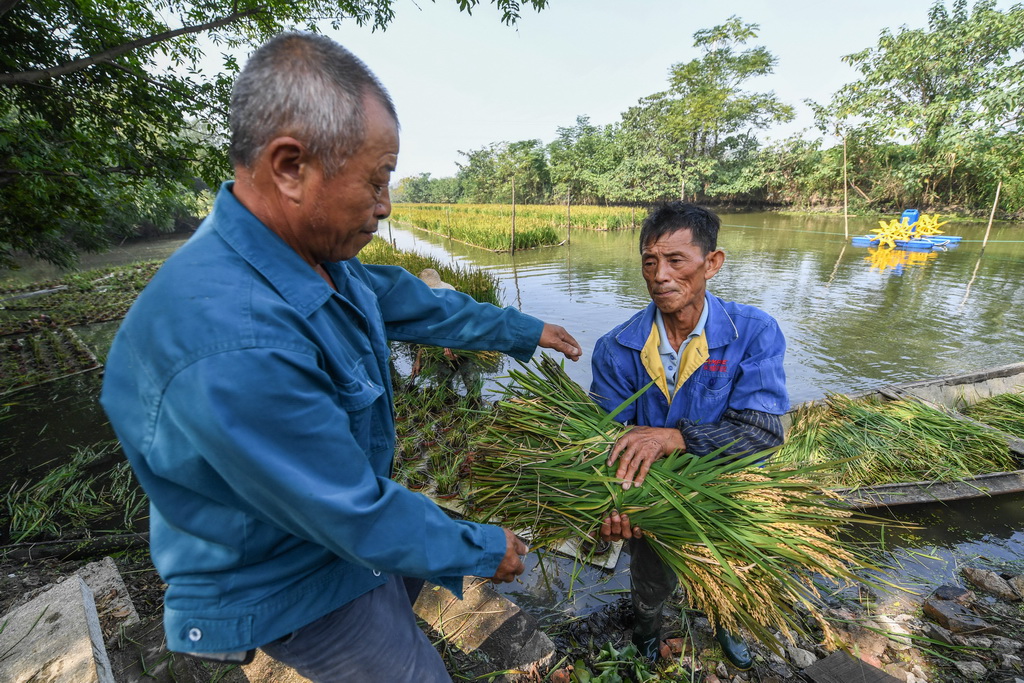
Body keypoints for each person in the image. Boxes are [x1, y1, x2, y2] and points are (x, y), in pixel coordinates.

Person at [100, 32, 582, 683]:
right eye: (377, 181)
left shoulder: (311, 255)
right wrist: (482, 546)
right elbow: (351, 513)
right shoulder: (232, 340)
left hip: (323, 526)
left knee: (405, 596)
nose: (385, 206)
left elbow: (410, 299)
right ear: (290, 166)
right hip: (285, 573)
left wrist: (522, 329)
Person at [590, 202, 788, 669]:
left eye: (676, 260)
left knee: (728, 567)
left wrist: (671, 438)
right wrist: (619, 505)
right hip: (651, 499)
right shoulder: (616, 348)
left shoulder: (753, 333)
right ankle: (647, 630)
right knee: (651, 575)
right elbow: (605, 443)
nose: (660, 275)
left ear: (712, 263)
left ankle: (728, 624)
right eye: (649, 261)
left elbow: (761, 433)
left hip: (727, 491)